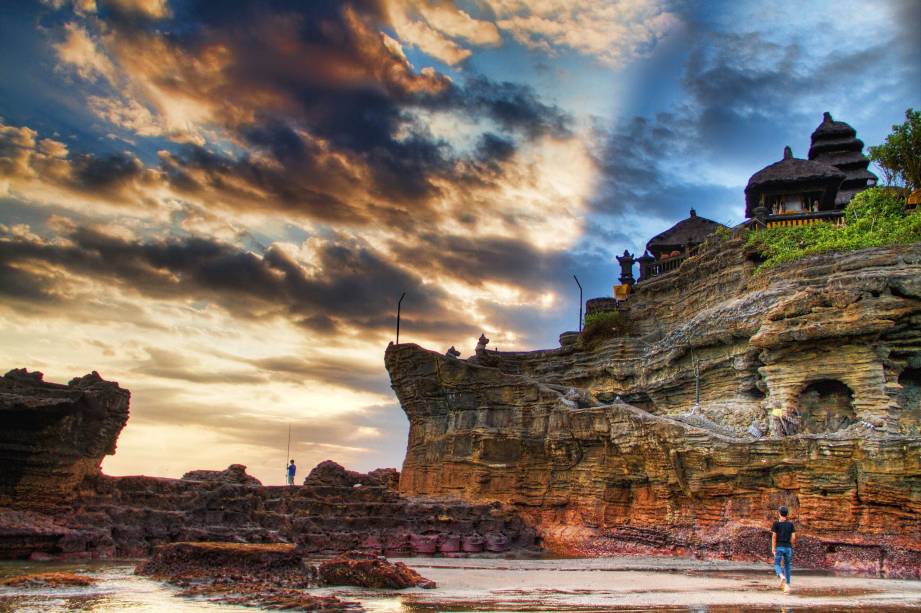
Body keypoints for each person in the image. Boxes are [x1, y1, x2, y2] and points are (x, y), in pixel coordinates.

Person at [771, 505, 796, 593]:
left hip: (779, 547)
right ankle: (787, 586)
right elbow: (793, 537)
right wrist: (792, 545)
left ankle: (781, 576)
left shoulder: (776, 524)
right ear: (787, 514)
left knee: (777, 564)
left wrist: (773, 548)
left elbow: (774, 536)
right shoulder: (790, 524)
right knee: (787, 566)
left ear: (779, 513)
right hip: (788, 547)